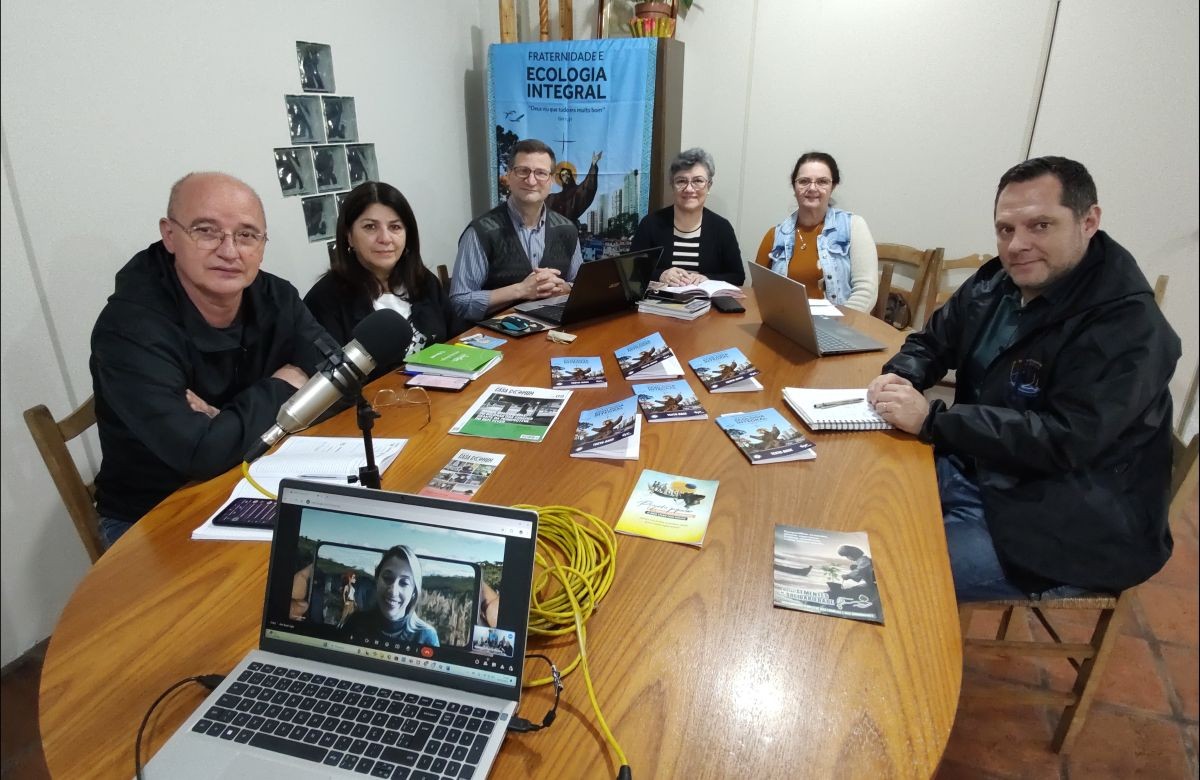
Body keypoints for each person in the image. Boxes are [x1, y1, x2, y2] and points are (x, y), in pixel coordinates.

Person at [866, 156, 1180, 601]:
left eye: (1041, 226)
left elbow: (1064, 439)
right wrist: (902, 376)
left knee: (880, 578)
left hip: (1067, 521)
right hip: (981, 468)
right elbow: (934, 342)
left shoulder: (1129, 326)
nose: (1016, 245)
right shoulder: (996, 281)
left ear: (1089, 221)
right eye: (1006, 229)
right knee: (857, 505)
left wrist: (934, 422)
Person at [90, 172, 329, 548]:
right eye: (206, 231)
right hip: (156, 513)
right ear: (169, 235)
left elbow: (342, 382)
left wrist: (226, 424)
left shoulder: (275, 296)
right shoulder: (130, 327)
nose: (230, 251)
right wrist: (282, 387)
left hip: (257, 477)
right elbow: (199, 454)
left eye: (247, 235)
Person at [303, 181, 455, 375]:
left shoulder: (425, 281)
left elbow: (455, 340)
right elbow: (331, 384)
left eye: (395, 227)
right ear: (349, 236)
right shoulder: (324, 300)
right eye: (370, 227)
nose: (385, 238)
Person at [449, 139, 583, 323]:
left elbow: (581, 287)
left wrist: (563, 288)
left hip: (555, 330)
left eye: (541, 173)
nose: (531, 180)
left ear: (551, 180)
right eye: (523, 171)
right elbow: (459, 304)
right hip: (498, 337)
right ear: (509, 176)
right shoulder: (480, 232)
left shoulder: (567, 229)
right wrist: (521, 290)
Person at [755, 151, 878, 312]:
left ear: (833, 186)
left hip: (839, 327)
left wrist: (839, 326)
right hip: (787, 324)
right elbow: (758, 290)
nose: (812, 188)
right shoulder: (775, 235)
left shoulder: (854, 226)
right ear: (794, 187)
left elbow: (866, 291)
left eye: (822, 182)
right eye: (804, 181)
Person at [631, 148, 745, 286]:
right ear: (672, 186)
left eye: (698, 181)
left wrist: (708, 279)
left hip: (708, 305)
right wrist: (661, 275)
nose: (689, 189)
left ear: (709, 186)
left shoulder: (722, 228)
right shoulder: (650, 224)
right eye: (681, 181)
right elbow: (632, 270)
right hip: (660, 304)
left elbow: (737, 276)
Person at [343, 545, 440, 646]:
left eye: (404, 583)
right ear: (377, 580)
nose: (393, 591)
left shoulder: (427, 637)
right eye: (387, 578)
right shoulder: (355, 623)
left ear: (414, 592)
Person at [546, 151, 603, 222]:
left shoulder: (578, 191)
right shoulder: (555, 197)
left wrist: (593, 164)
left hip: (571, 227)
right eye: (563, 175)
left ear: (571, 176)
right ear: (561, 179)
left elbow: (588, 187)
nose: (565, 177)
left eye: (567, 174)